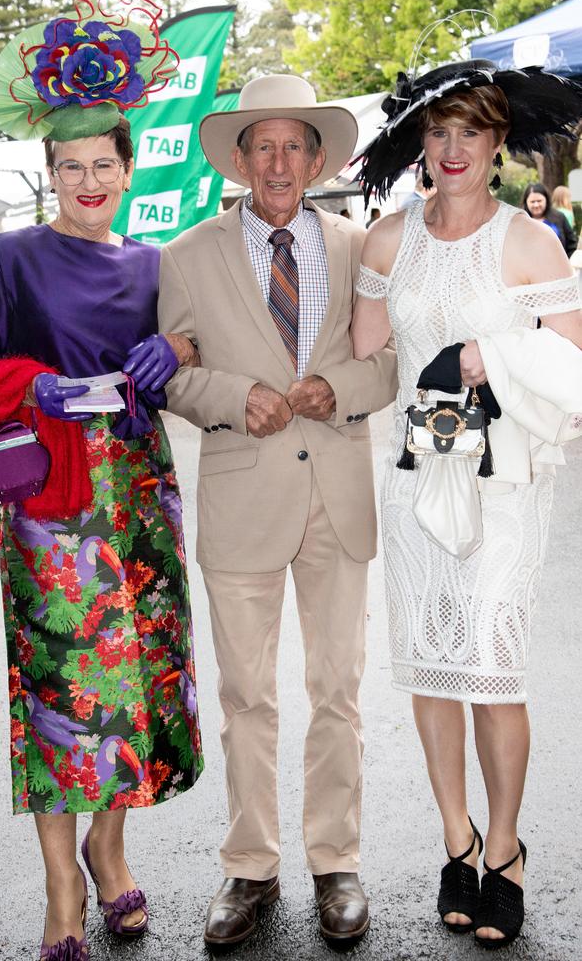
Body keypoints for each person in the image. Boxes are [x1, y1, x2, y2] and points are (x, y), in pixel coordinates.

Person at [0, 0, 203, 960]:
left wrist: (172, 348)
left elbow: (191, 349)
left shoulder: (151, 263)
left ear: (129, 171)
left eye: (105, 164)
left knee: (130, 690)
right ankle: (63, 891)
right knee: (60, 693)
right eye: (70, 167)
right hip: (50, 503)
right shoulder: (9, 257)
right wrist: (32, 383)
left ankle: (109, 846)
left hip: (137, 493)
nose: (89, 181)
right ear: (48, 175)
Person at [157, 73, 398, 946]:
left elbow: (393, 362)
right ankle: (250, 868)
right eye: (263, 145)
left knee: (338, 690)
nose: (279, 161)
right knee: (245, 693)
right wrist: (231, 394)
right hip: (243, 494)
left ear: (318, 157)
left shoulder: (361, 248)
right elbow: (174, 372)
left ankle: (337, 862)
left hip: (337, 491)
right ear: (239, 159)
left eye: (295, 144)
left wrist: (341, 384)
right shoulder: (184, 256)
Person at [353, 58, 582, 949]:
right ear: (422, 142)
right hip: (416, 481)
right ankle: (459, 839)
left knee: (492, 668)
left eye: (472, 134)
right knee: (431, 666)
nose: (453, 150)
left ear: (497, 146)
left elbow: (573, 370)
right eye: (440, 132)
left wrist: (494, 350)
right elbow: (370, 365)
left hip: (506, 492)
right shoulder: (385, 241)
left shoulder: (530, 244)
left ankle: (509, 849)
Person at [522, 181, 577, 256]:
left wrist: (567, 262)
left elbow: (572, 243)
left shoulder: (559, 217)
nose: (536, 205)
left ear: (546, 200)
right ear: (526, 202)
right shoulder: (521, 221)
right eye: (532, 202)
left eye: (539, 201)